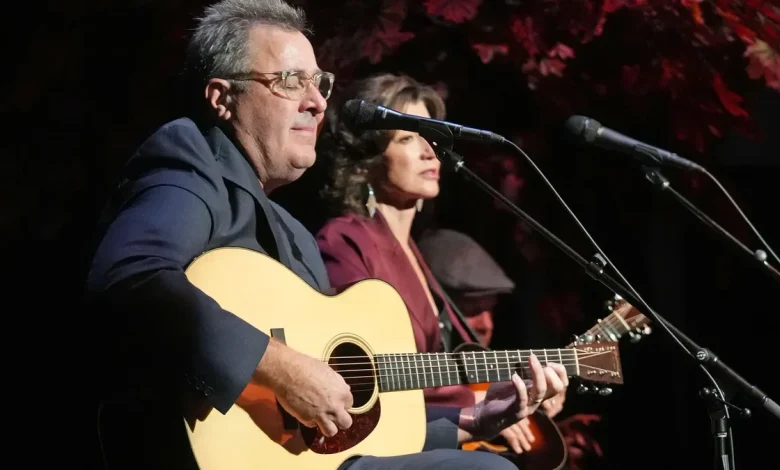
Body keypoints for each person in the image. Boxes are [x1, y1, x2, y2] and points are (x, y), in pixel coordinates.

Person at [83, 1, 567, 469]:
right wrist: (278, 366)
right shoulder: (190, 166)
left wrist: (472, 420)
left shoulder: (294, 235)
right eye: (290, 81)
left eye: (320, 83)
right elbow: (130, 277)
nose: (317, 103)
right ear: (222, 98)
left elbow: (342, 416)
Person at [314, 73, 568, 458]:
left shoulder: (414, 252)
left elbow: (442, 372)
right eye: (406, 138)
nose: (429, 152)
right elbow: (359, 382)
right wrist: (473, 413)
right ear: (365, 159)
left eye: (429, 135)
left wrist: (523, 393)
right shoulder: (346, 241)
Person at [419, 228, 606, 468]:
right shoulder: (416, 350)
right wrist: (474, 411)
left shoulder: (484, 364)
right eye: (473, 310)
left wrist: (534, 409)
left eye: (491, 309)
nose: (487, 324)